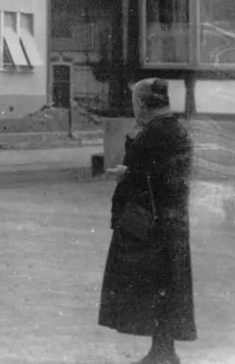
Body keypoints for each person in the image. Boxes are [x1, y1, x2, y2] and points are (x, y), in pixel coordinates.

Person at [99, 78, 195, 364]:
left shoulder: (156, 132)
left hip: (152, 226)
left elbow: (153, 175)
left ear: (141, 103)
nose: (133, 108)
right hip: (169, 223)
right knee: (164, 287)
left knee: (154, 287)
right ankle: (162, 351)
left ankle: (163, 353)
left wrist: (126, 174)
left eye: (134, 103)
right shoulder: (172, 128)